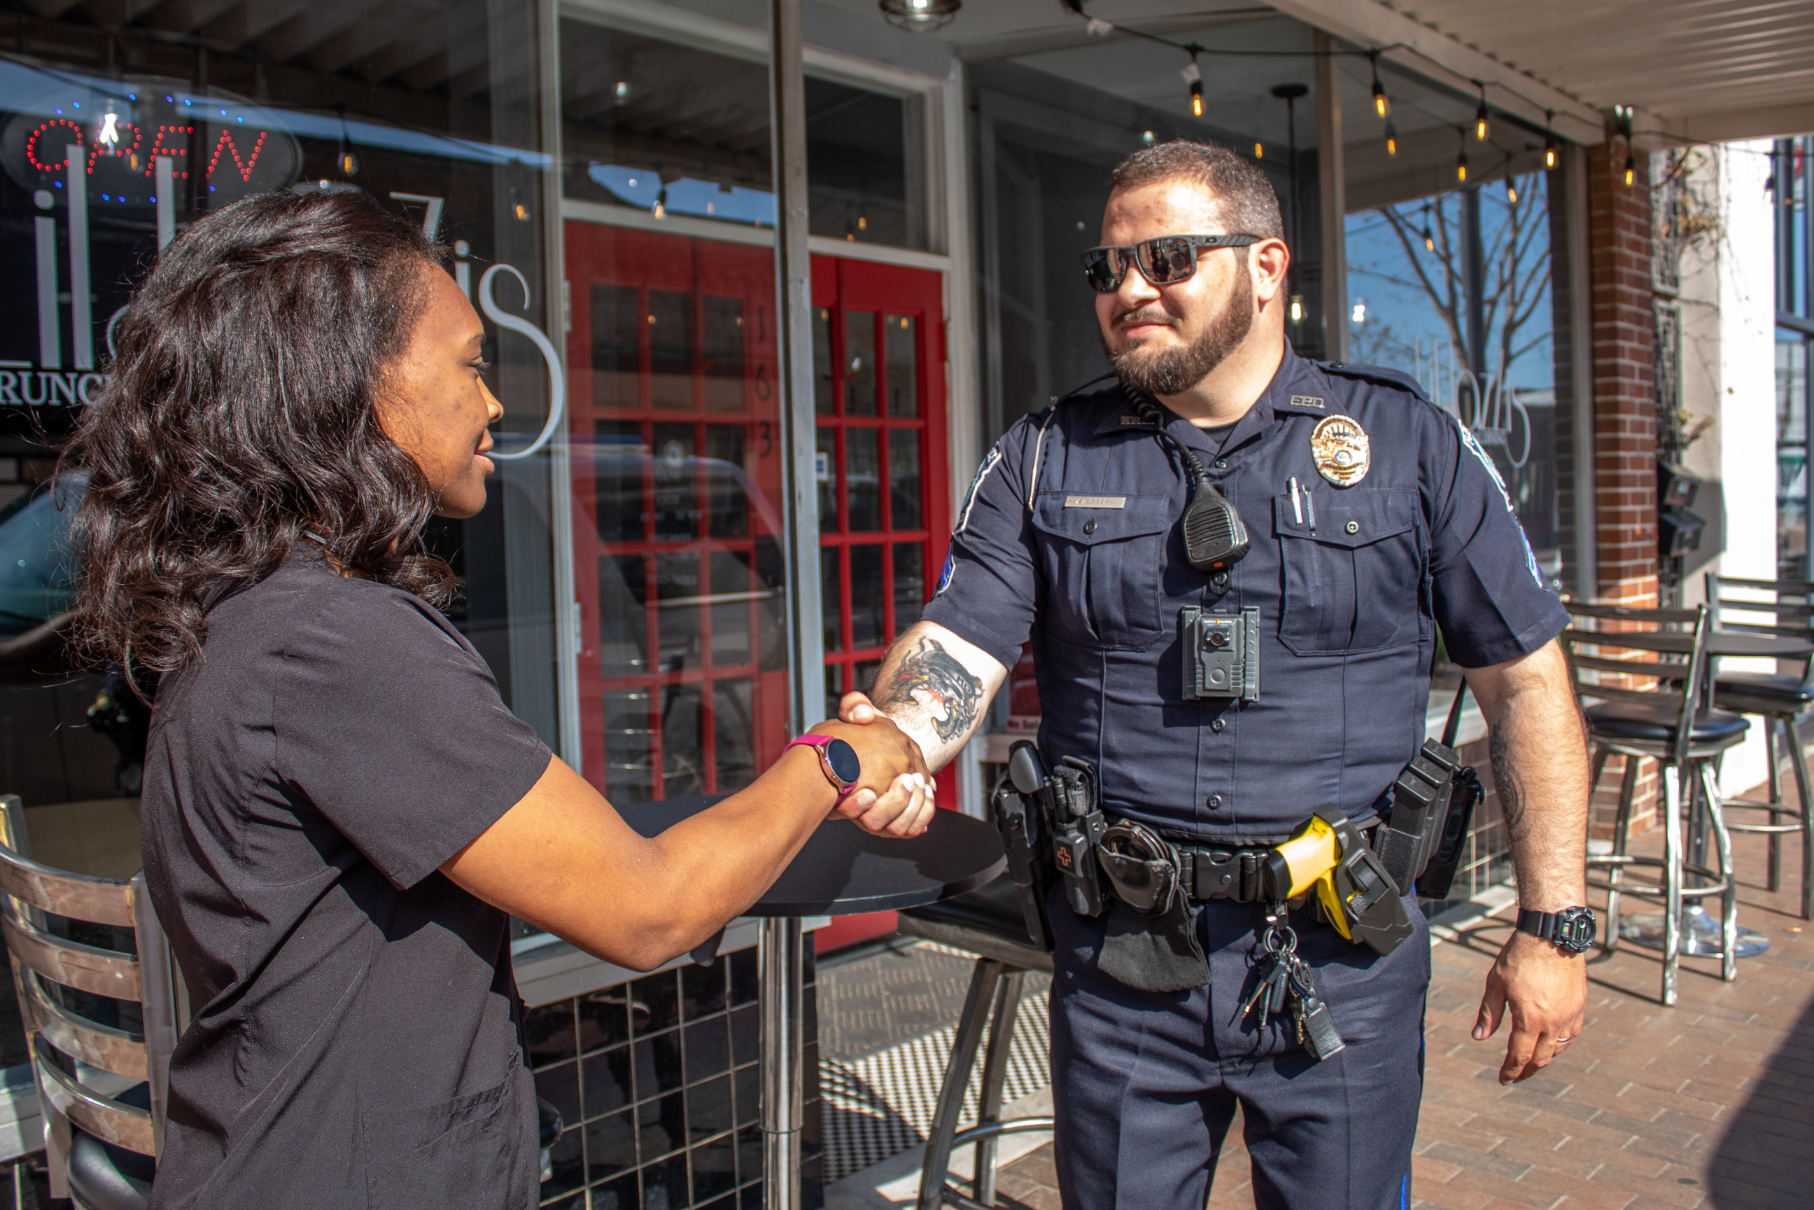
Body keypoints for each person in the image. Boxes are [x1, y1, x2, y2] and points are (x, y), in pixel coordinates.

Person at [63, 190, 931, 1210]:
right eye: (470, 363)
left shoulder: (248, 609)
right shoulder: (338, 640)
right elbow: (646, 908)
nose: (495, 403)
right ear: (350, 383)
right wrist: (832, 755)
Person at [839, 140, 1593, 1209]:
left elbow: (1525, 683)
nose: (1128, 290)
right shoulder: (1045, 456)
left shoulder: (1405, 442)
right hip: (1121, 958)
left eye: (1168, 258)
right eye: (1107, 269)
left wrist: (1550, 923)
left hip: (1343, 951)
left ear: (1267, 265)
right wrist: (903, 736)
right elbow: (959, 644)